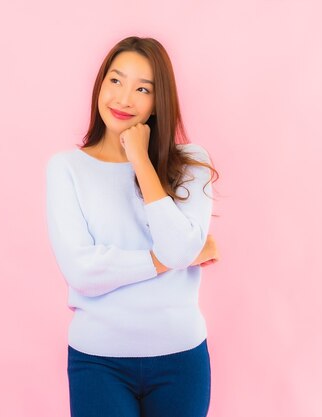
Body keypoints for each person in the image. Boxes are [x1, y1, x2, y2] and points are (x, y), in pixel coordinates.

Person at [45, 36, 220, 417]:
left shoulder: (191, 162)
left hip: (181, 359)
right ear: (100, 84)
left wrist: (139, 157)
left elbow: (178, 250)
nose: (124, 98)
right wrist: (171, 258)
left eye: (143, 89)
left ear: (159, 102)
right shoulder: (67, 169)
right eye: (116, 81)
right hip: (99, 362)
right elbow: (82, 271)